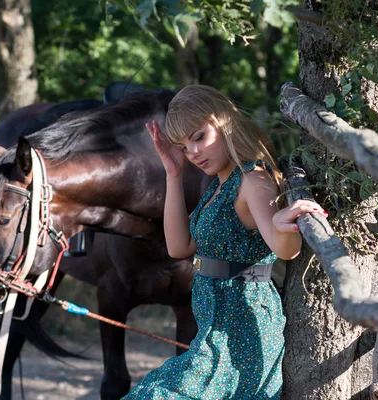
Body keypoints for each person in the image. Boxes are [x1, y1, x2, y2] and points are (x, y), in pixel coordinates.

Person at [123, 85, 327, 399]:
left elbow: (286, 249)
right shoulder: (219, 185)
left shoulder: (252, 179)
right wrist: (173, 175)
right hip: (214, 326)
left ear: (224, 123)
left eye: (198, 137)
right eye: (183, 145)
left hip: (240, 325)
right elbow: (179, 248)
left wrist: (279, 223)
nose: (192, 153)